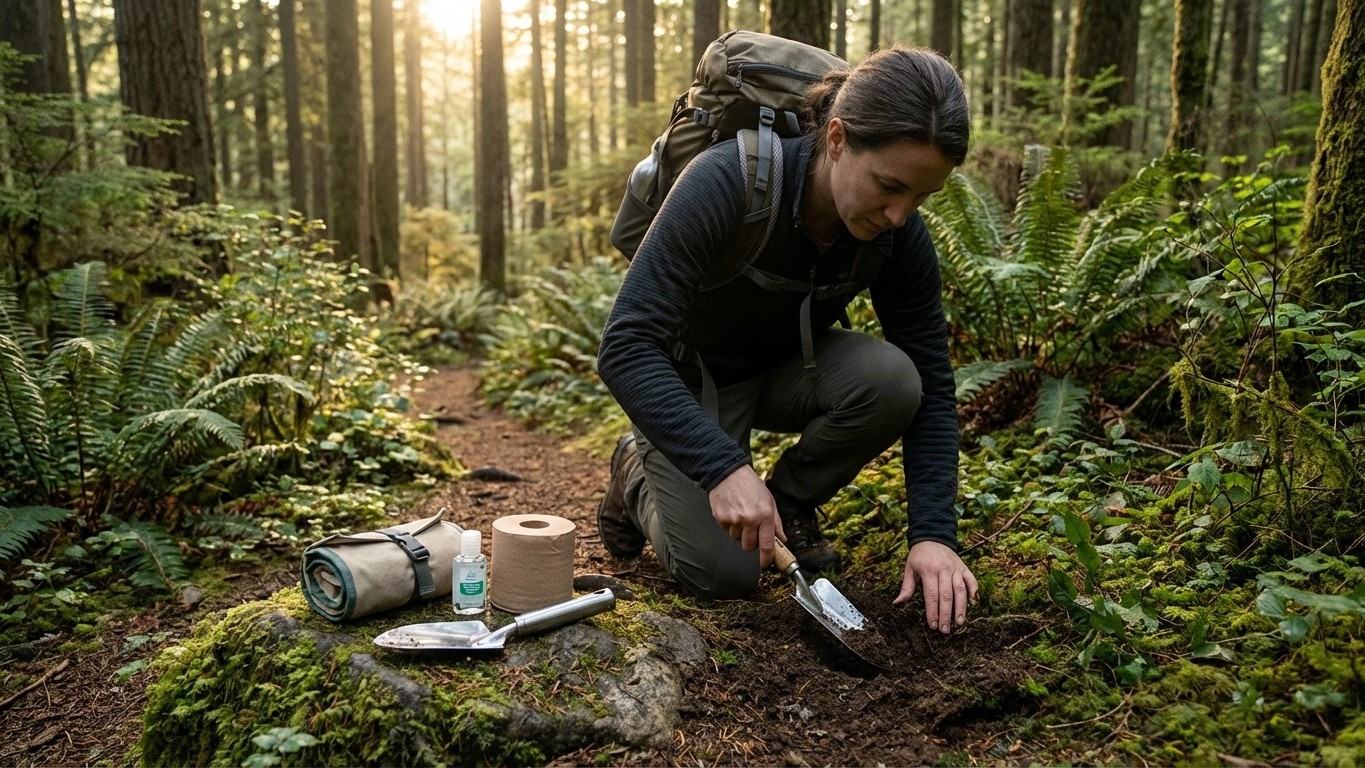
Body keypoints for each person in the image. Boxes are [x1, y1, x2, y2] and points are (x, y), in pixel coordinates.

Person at [596, 45, 978, 634]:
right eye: (889, 186)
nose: (900, 214)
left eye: (922, 198)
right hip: (692, 381)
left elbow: (932, 376)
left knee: (898, 378)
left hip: (784, 371)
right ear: (836, 138)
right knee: (723, 575)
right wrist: (722, 467)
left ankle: (792, 501)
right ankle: (636, 472)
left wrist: (933, 535)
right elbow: (625, 345)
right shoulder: (726, 181)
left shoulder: (898, 235)